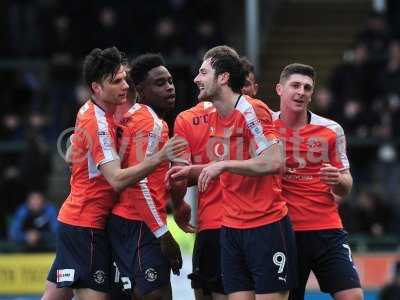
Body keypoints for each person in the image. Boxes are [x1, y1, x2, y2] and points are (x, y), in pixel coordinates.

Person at [42, 47, 186, 300]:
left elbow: (70, 156)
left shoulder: (94, 112)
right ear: (97, 88)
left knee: (55, 295)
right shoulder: (102, 124)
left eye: (124, 79)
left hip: (78, 218)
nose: (124, 85)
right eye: (116, 81)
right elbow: (118, 180)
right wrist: (160, 157)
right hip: (87, 222)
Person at [167, 46, 297, 300]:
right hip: (231, 229)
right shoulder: (216, 116)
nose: (196, 78)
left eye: (203, 72)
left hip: (265, 225)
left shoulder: (252, 110)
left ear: (223, 77)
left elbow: (273, 161)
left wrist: (222, 165)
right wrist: (197, 170)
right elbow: (232, 164)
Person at [272, 63, 363, 300]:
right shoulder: (263, 126)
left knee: (353, 296)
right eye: (295, 85)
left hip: (327, 228)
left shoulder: (331, 129)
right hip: (283, 230)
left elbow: (346, 183)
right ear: (279, 89)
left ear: (312, 95)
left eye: (307, 87)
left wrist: (337, 180)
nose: (301, 91)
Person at [107, 53, 186, 300]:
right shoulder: (152, 124)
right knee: (158, 294)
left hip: (123, 221)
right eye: (160, 83)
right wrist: (163, 233)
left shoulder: (133, 117)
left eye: (170, 81)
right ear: (140, 90)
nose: (169, 88)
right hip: (140, 224)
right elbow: (138, 183)